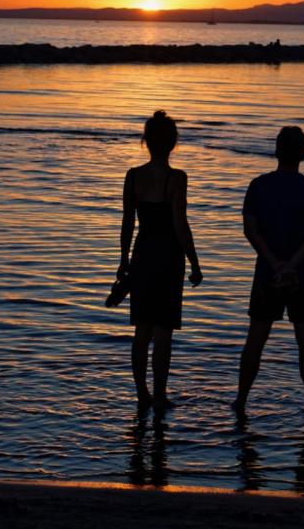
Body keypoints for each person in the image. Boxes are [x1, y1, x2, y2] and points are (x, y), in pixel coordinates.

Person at [234, 126, 304, 420]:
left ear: (277, 151)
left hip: (267, 273)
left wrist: (275, 264)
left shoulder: (258, 186)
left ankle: (241, 401)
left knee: (256, 338)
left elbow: (250, 230)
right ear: (302, 153)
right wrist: (291, 265)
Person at [111, 111, 202, 413]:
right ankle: (160, 396)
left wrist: (123, 260)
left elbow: (127, 222)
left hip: (143, 253)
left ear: (145, 142)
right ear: (174, 142)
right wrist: (195, 262)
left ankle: (142, 394)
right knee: (163, 333)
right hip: (168, 257)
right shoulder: (177, 178)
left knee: (142, 330)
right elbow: (180, 223)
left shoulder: (133, 175)